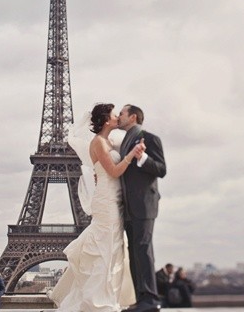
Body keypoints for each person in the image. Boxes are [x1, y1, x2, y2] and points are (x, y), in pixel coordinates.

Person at [49, 103, 146, 312]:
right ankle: (98, 301)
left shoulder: (109, 142)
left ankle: (107, 296)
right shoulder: (99, 143)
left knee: (112, 248)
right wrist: (132, 155)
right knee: (105, 248)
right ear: (105, 120)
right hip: (106, 200)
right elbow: (113, 171)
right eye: (114, 115)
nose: (117, 117)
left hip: (114, 198)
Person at [118, 104, 167, 312]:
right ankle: (141, 297)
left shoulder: (150, 138)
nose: (118, 117)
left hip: (144, 204)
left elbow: (161, 169)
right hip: (129, 206)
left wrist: (143, 158)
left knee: (144, 248)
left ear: (133, 117)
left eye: (122, 113)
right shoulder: (125, 141)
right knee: (135, 250)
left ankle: (150, 298)